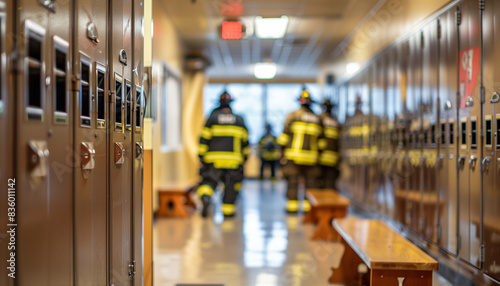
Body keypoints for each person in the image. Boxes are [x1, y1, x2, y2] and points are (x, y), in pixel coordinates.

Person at [196, 91, 250, 218]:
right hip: (234, 162)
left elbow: (203, 140)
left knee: (208, 182)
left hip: (213, 160)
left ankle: (205, 197)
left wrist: (201, 157)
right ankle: (228, 212)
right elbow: (245, 143)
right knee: (231, 186)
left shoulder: (212, 118)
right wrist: (244, 158)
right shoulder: (239, 120)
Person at [277, 88, 323, 213]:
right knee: (311, 184)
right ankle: (309, 209)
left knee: (292, 182)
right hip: (311, 158)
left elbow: (284, 138)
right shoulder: (317, 118)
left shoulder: (293, 115)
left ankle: (292, 208)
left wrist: (281, 154)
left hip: (293, 157)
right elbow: (321, 142)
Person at [317, 99, 340, 189]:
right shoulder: (335, 121)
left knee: (319, 184)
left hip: (321, 158)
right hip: (333, 159)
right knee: (330, 184)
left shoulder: (320, 119)